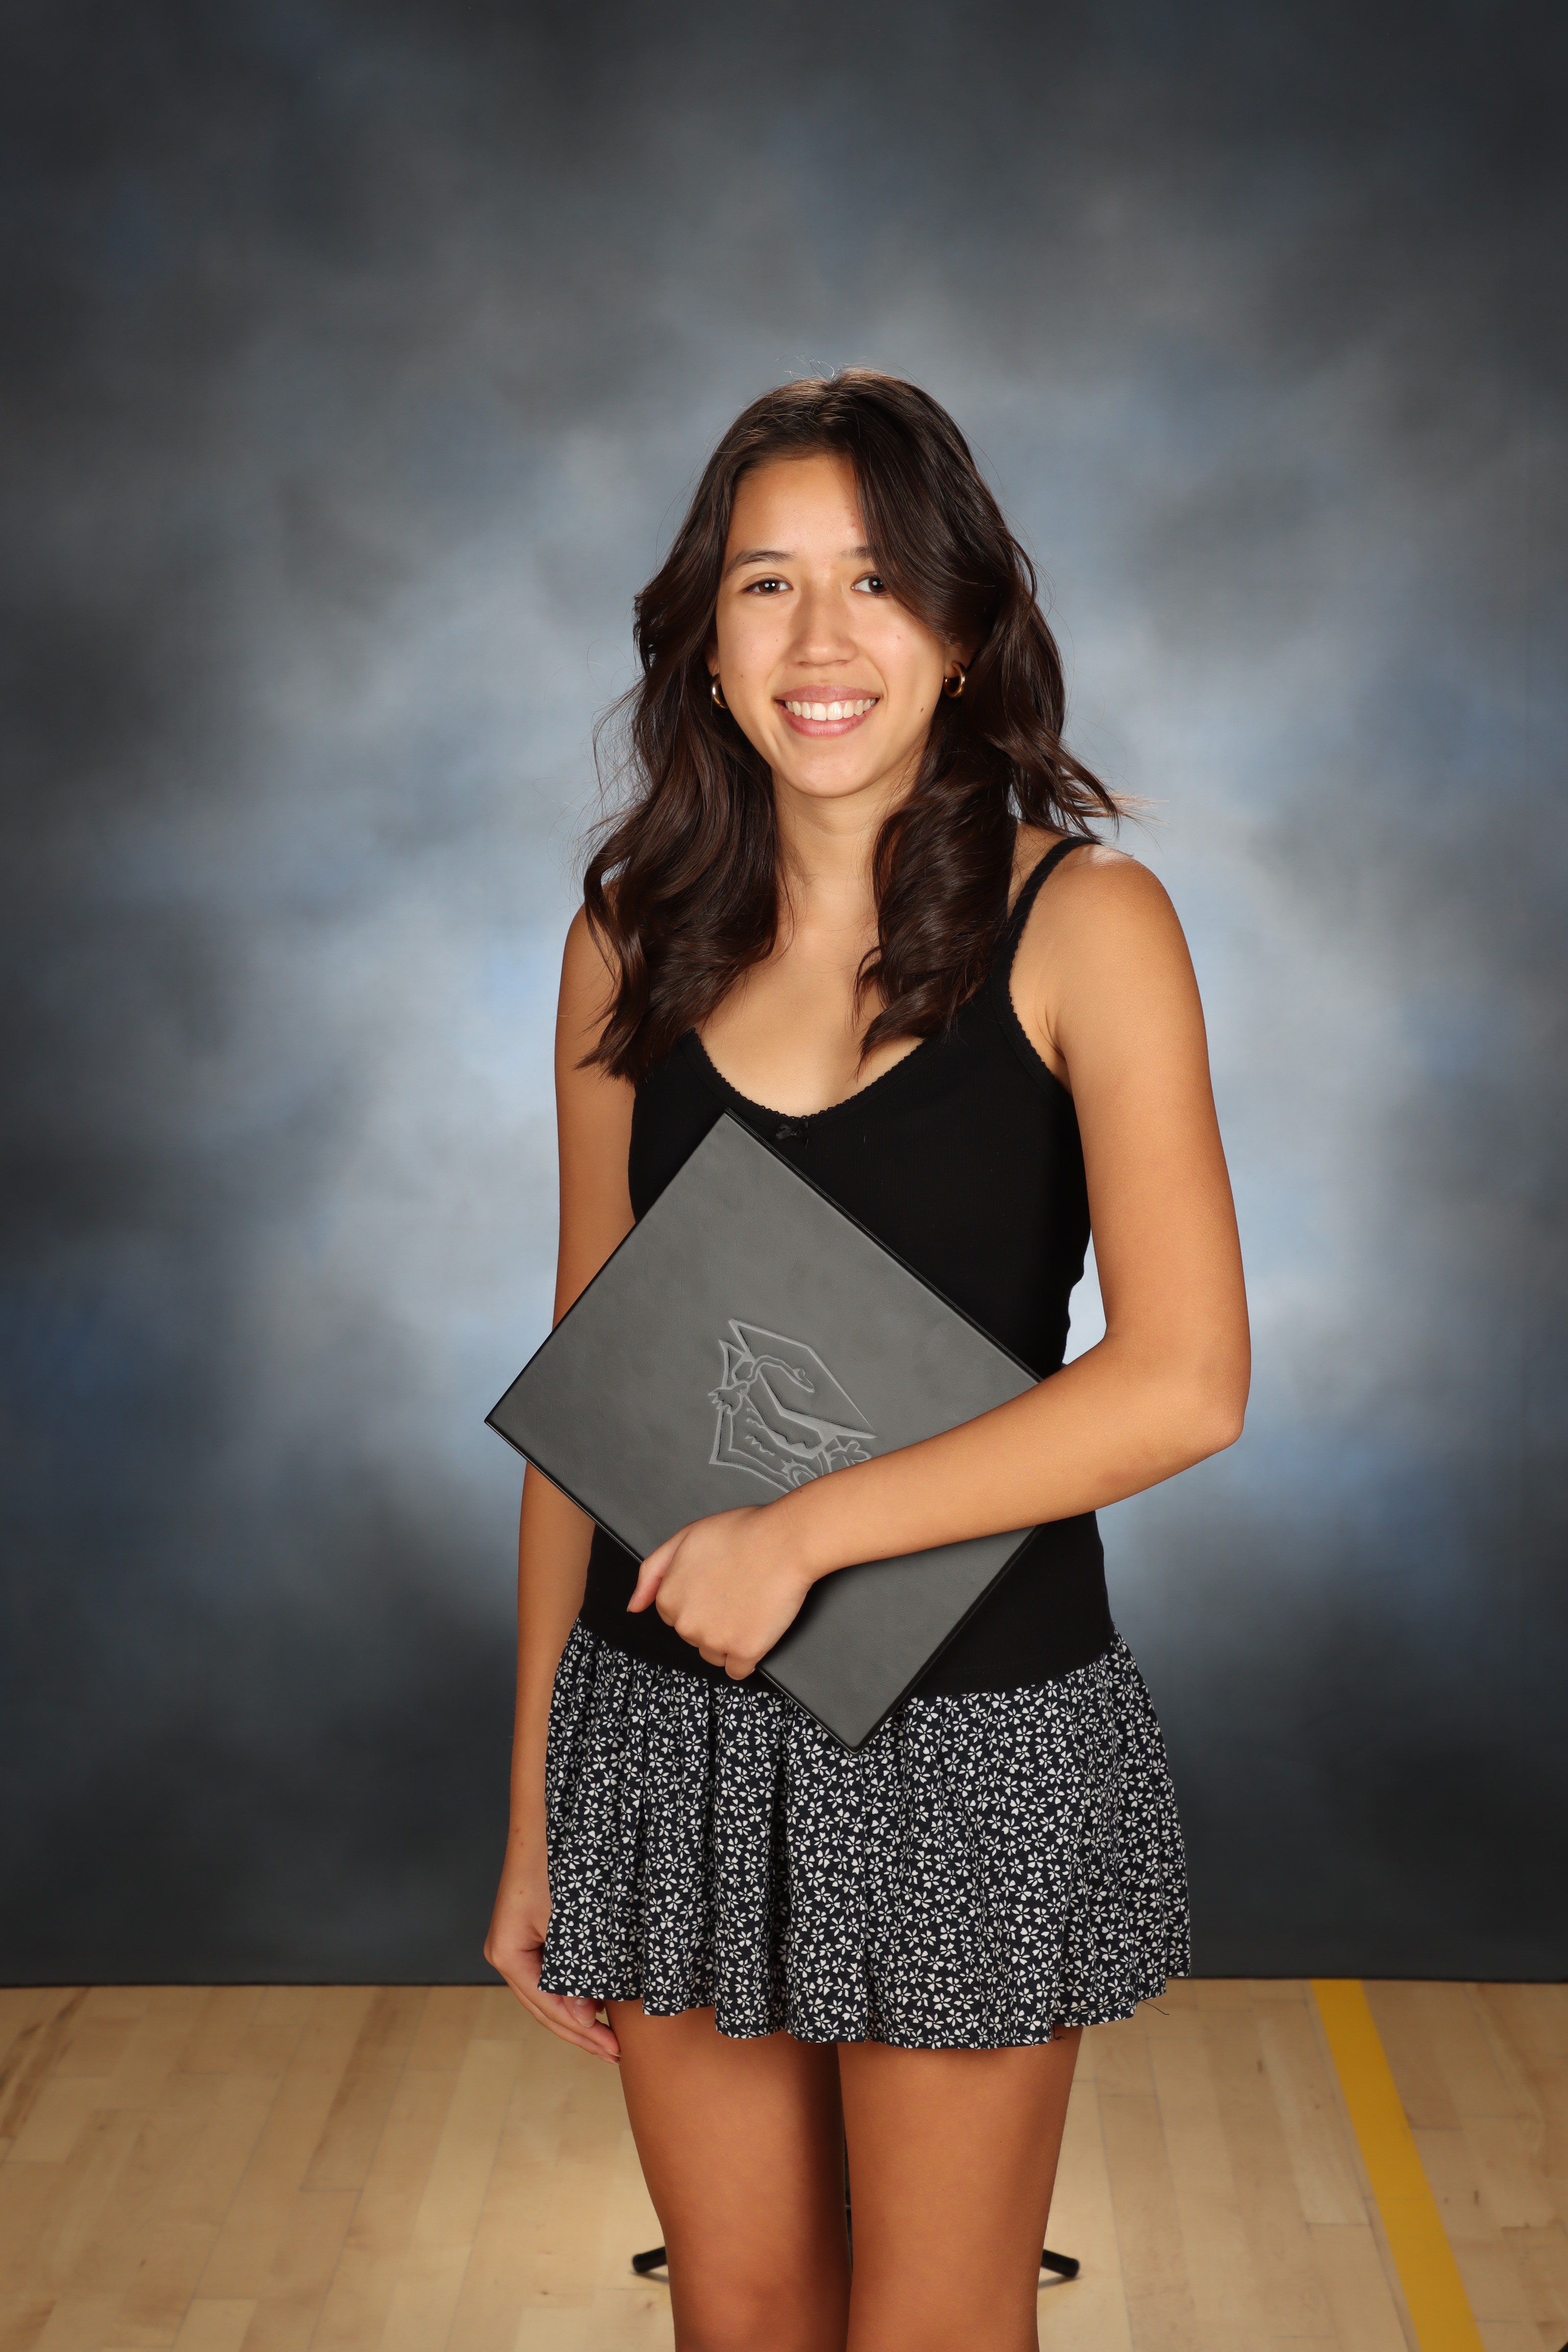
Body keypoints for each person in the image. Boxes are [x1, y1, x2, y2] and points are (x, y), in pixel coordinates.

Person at [485, 370, 1250, 2352]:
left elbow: (1185, 1380)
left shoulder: (1087, 924)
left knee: (933, 2329)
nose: (821, 642)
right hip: (668, 1729)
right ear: (703, 637)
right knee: (741, 2318)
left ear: (962, 629)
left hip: (971, 1732)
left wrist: (801, 1533)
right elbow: (584, 1400)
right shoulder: (624, 940)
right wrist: (538, 1804)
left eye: (877, 582)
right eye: (766, 584)